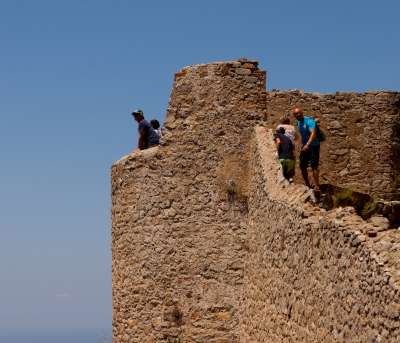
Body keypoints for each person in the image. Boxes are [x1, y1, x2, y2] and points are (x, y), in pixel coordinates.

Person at [292, 107, 320, 192]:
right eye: (296, 114)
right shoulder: (298, 122)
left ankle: (317, 186)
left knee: (314, 166)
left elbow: (313, 134)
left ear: (302, 112)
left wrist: (307, 144)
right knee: (302, 165)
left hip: (314, 146)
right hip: (305, 146)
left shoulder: (309, 121)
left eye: (299, 113)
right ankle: (307, 184)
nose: (298, 115)